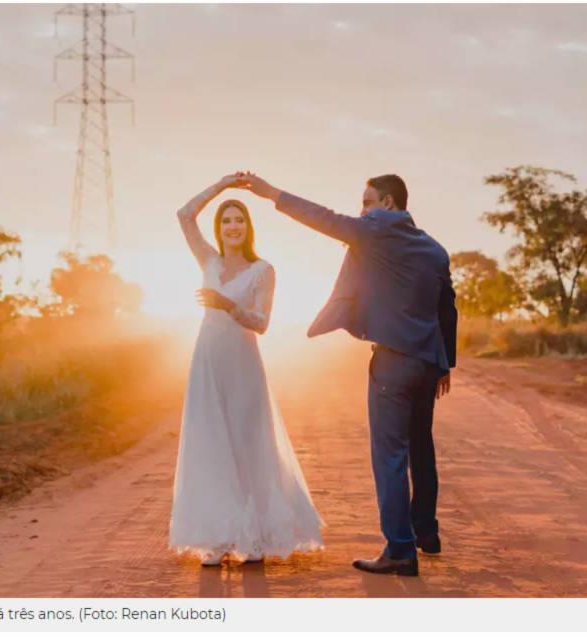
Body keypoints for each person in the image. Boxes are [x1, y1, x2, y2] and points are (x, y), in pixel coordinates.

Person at [230, 171, 457, 577]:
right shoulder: (435, 249)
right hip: (427, 363)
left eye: (367, 202)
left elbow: (324, 218)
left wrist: (271, 194)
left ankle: (400, 550)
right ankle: (426, 533)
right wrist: (446, 363)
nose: (362, 211)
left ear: (388, 203)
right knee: (421, 448)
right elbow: (447, 310)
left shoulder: (375, 231)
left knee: (390, 455)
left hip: (393, 361)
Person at [168, 174, 324, 567]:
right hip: (207, 360)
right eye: (226, 221)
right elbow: (185, 215)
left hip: (243, 364)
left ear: (248, 229)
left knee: (245, 443)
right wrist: (222, 187)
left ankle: (252, 536)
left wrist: (228, 306)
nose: (232, 226)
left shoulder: (263, 270)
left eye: (239, 220)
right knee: (211, 444)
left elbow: (262, 323)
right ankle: (217, 536)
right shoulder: (209, 260)